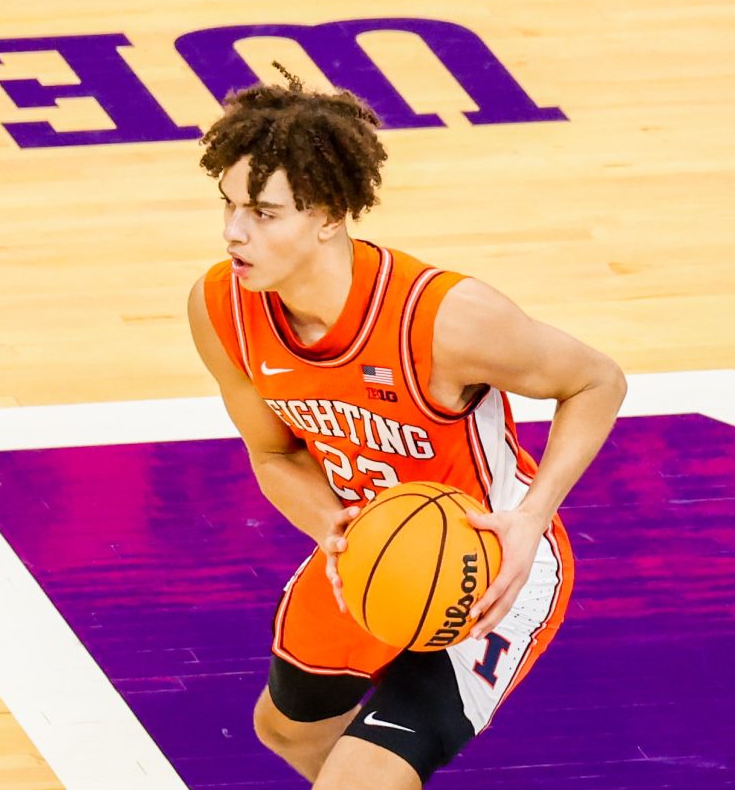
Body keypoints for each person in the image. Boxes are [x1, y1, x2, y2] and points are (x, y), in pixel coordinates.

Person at [186, 65, 627, 790]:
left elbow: (597, 380)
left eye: (264, 214)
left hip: (490, 560)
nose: (235, 232)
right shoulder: (220, 308)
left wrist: (529, 519)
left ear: (328, 214)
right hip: (373, 548)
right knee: (285, 730)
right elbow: (272, 455)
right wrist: (335, 525)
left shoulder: (444, 319)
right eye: (229, 205)